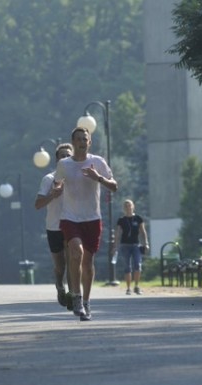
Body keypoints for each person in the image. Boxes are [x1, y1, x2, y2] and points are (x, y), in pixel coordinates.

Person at [54, 127, 118, 321]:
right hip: (70, 217)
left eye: (85, 139)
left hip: (92, 218)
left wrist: (98, 177)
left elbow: (114, 186)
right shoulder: (64, 164)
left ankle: (87, 302)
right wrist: (57, 189)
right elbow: (57, 183)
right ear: (73, 143)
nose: (82, 142)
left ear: (90, 142)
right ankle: (77, 297)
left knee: (88, 263)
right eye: (79, 139)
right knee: (76, 252)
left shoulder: (97, 162)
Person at [35, 143, 74, 308]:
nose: (65, 158)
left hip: (73, 224)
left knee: (72, 261)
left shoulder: (77, 178)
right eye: (62, 155)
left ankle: (74, 296)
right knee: (60, 265)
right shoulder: (49, 179)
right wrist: (53, 194)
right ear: (57, 160)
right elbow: (37, 204)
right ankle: (59, 285)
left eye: (68, 155)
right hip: (54, 227)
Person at [114, 199, 149, 295]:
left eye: (129, 205)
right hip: (125, 245)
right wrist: (115, 246)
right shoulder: (121, 220)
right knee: (127, 267)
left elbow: (143, 231)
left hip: (136, 245)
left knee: (138, 264)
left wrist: (146, 243)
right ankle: (128, 288)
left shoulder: (138, 218)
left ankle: (136, 286)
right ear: (123, 208)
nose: (128, 207)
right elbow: (118, 233)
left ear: (133, 206)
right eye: (125, 206)